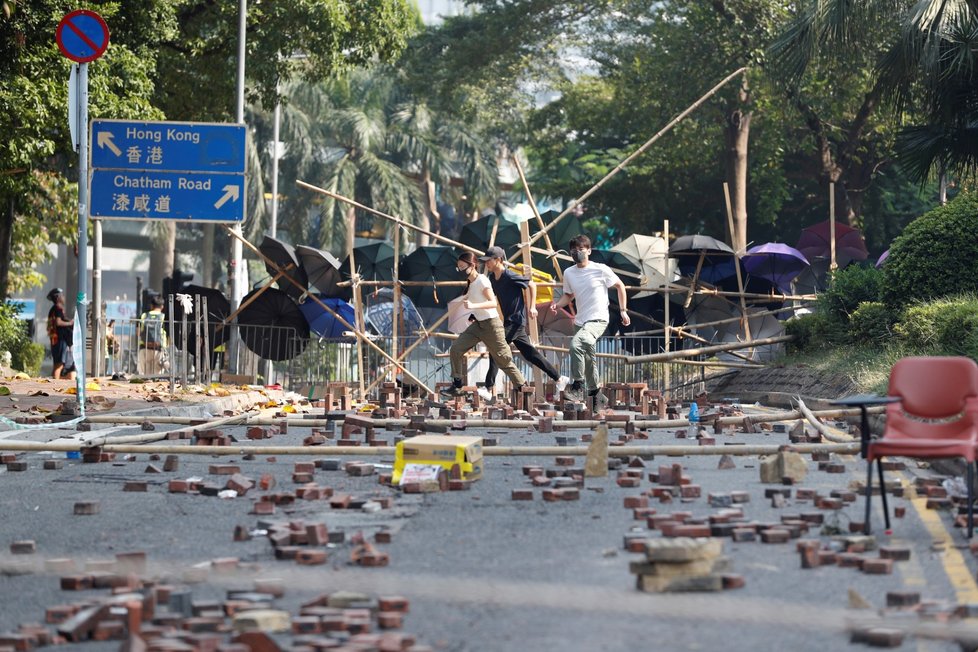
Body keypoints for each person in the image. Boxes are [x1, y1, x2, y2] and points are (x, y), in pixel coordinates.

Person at [550, 234, 630, 410]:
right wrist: (558, 304)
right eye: (574, 250)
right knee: (588, 359)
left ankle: (578, 386)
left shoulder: (600, 269)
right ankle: (597, 397)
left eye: (581, 249)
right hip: (580, 321)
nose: (577, 253)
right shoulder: (569, 273)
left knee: (577, 344)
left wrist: (623, 310)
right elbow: (569, 295)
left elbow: (619, 285)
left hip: (599, 318)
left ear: (589, 251)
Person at [479, 246, 569, 399]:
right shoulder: (492, 279)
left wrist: (532, 307)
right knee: (531, 355)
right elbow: (493, 299)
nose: (486, 263)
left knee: (496, 347)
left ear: (499, 260)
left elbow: (531, 285)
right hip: (509, 321)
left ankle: (488, 388)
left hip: (516, 321)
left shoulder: (509, 275)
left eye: (489, 260)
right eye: (485, 261)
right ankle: (559, 378)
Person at [442, 252, 527, 399]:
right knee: (456, 349)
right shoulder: (471, 284)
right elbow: (479, 304)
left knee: (503, 359)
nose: (460, 270)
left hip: (492, 326)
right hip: (478, 325)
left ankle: (522, 387)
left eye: (462, 267)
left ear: (472, 265)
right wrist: (473, 314)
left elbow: (493, 303)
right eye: (458, 268)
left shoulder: (482, 280)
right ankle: (457, 385)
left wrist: (474, 305)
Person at [46, 288, 76, 380]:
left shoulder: (54, 309)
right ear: (58, 297)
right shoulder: (57, 308)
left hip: (57, 340)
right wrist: (70, 323)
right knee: (59, 364)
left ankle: (55, 382)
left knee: (59, 365)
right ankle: (55, 385)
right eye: (62, 295)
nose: (64, 297)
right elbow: (58, 323)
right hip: (59, 340)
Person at [138, 295, 168, 376]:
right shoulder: (164, 317)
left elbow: (138, 332)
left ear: (151, 305)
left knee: (144, 376)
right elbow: (168, 333)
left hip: (144, 347)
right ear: (162, 306)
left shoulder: (143, 315)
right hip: (159, 349)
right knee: (157, 377)